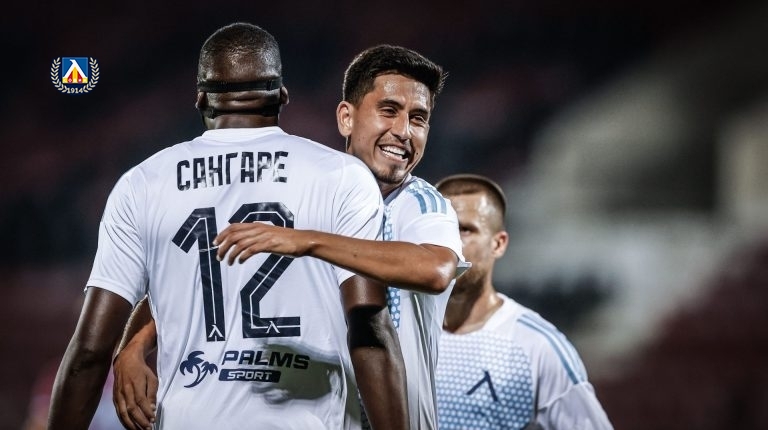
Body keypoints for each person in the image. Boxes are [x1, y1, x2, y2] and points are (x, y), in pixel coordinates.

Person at [47, 22, 408, 430]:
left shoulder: (143, 184)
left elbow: (89, 352)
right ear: (282, 96)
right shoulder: (341, 176)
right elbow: (370, 328)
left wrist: (126, 350)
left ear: (201, 98)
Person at [114, 44, 465, 430]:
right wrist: (134, 346)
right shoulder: (311, 188)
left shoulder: (420, 203)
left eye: (419, 119)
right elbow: (203, 266)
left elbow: (436, 269)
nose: (403, 131)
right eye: (389, 111)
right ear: (346, 118)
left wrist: (308, 241)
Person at [433, 174, 613, 429]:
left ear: (498, 244)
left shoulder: (535, 347)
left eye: (465, 230)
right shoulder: (400, 332)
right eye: (441, 228)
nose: (450, 241)